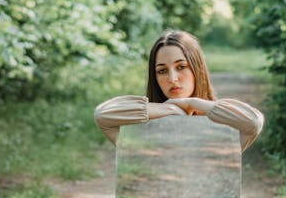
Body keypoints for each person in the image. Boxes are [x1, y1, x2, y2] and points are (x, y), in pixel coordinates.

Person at [94, 30, 264, 151]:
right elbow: (103, 115)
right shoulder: (142, 129)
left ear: (197, 69)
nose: (172, 78)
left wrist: (191, 103)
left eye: (181, 67)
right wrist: (171, 109)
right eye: (162, 71)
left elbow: (253, 122)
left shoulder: (221, 129)